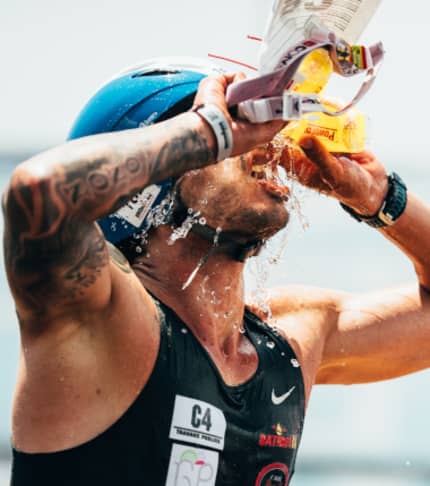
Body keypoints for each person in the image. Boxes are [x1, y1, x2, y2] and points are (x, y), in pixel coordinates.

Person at [3, 57, 430, 486]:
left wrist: (381, 199)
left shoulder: (290, 339)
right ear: (148, 181)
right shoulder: (99, 324)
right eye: (231, 121)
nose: (260, 143)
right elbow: (41, 194)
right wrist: (211, 132)